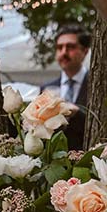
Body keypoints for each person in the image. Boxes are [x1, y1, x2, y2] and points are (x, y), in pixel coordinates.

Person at [45, 24, 90, 152]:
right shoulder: (47, 88)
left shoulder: (96, 87)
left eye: (70, 47)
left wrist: (78, 114)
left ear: (85, 51)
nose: (63, 52)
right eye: (60, 48)